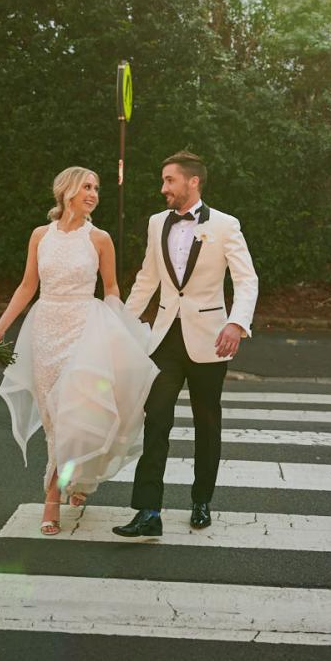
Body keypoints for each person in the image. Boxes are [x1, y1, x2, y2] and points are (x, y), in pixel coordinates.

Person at [0, 166, 158, 536]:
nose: (94, 193)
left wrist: (119, 330)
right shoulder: (41, 235)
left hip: (85, 329)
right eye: (87, 186)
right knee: (54, 415)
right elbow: (26, 286)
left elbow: (112, 287)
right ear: (66, 190)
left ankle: (57, 494)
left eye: (97, 188)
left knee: (77, 411)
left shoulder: (99, 238)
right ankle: (72, 481)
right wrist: (0, 326)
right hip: (46, 328)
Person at [112, 151, 258, 539]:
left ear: (193, 182)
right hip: (164, 338)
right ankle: (148, 511)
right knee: (155, 418)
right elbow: (147, 277)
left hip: (211, 338)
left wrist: (236, 323)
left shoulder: (226, 225)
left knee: (207, 422)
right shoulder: (156, 222)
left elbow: (246, 281)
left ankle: (201, 500)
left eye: (169, 181)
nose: (163, 189)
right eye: (163, 181)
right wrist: (122, 324)